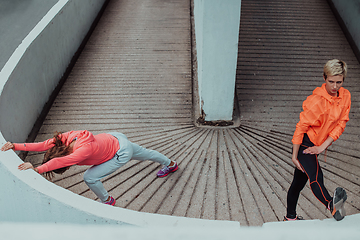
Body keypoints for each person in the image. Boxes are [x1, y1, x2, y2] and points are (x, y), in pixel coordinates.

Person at [1, 130, 178, 206]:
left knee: (90, 178)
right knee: (145, 153)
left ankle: (107, 201)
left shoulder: (81, 152)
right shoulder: (67, 138)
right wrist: (15, 146)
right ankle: (171, 164)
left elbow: (58, 163)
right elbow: (43, 145)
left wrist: (37, 169)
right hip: (115, 138)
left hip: (120, 152)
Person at [284, 59, 351, 221]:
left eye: (339, 82)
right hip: (305, 146)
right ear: (324, 78)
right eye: (331, 82)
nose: (335, 87)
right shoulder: (316, 102)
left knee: (297, 185)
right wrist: (294, 156)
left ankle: (290, 218)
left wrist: (322, 147)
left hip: (317, 147)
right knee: (315, 176)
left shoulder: (345, 96)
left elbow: (341, 124)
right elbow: (300, 127)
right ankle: (331, 204)